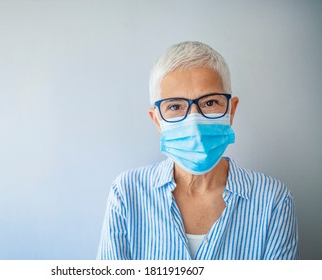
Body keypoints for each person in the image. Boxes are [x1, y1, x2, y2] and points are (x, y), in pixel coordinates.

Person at [96, 41, 299, 260]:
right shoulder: (126, 195)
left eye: (210, 102)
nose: (194, 120)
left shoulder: (273, 201)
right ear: (157, 120)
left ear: (230, 111)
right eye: (175, 106)